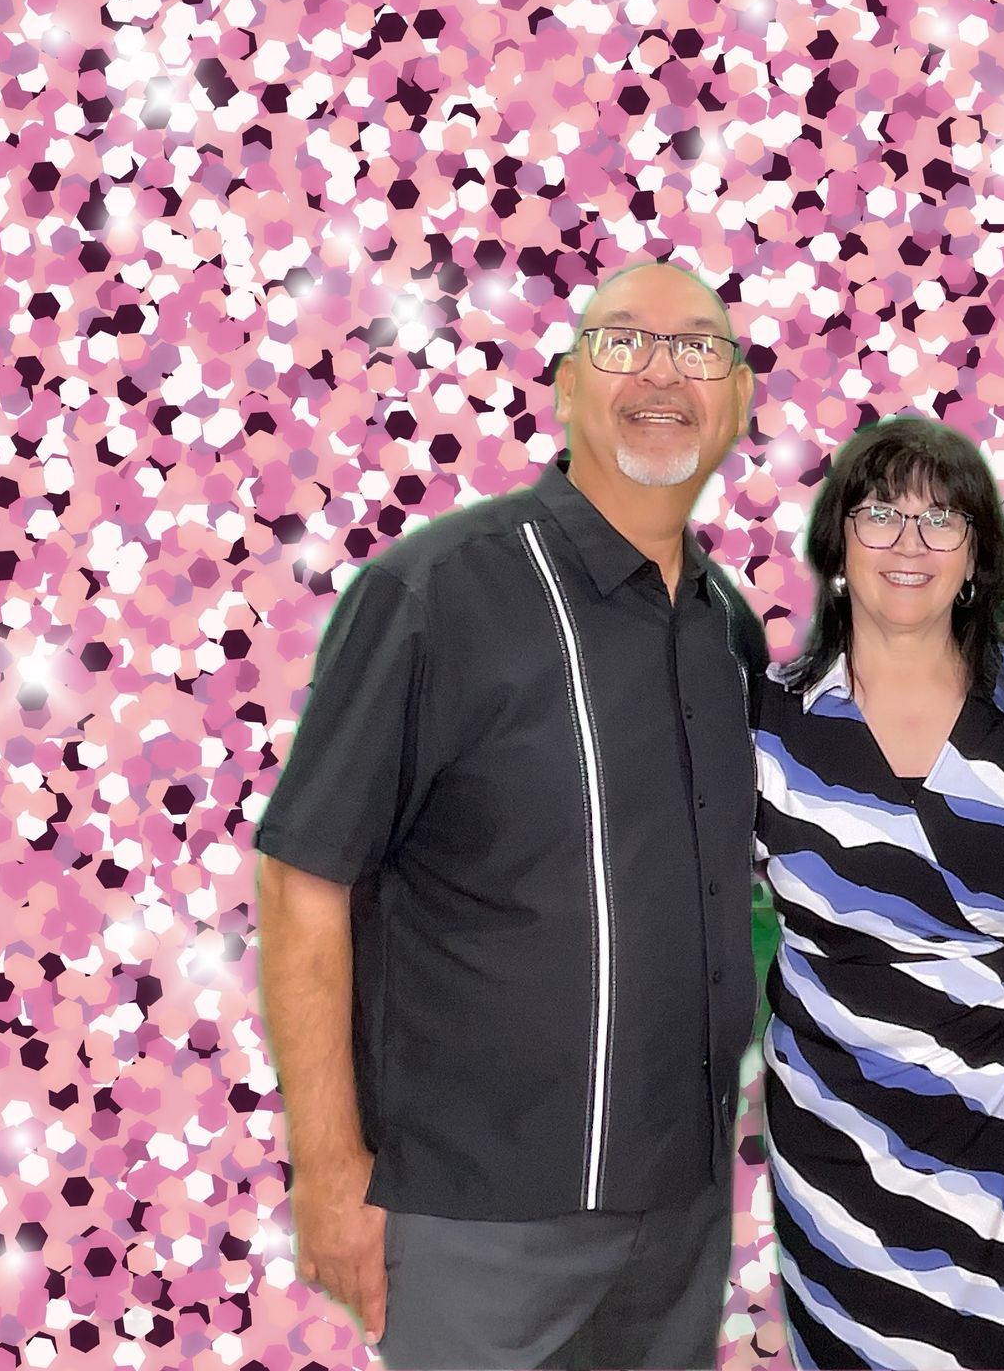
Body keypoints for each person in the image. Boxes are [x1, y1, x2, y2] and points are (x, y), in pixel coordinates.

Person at [254, 261, 768, 1370]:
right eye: (622, 342)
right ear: (566, 388)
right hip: (475, 1222)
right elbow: (304, 879)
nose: (660, 373)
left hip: (680, 1219)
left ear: (738, 399)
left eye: (697, 347)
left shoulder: (727, 626)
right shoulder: (437, 593)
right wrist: (331, 1169)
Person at [754, 416, 1004, 1370]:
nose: (909, 545)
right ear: (836, 547)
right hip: (842, 1121)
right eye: (880, 515)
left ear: (979, 558)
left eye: (940, 521)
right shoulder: (769, 720)